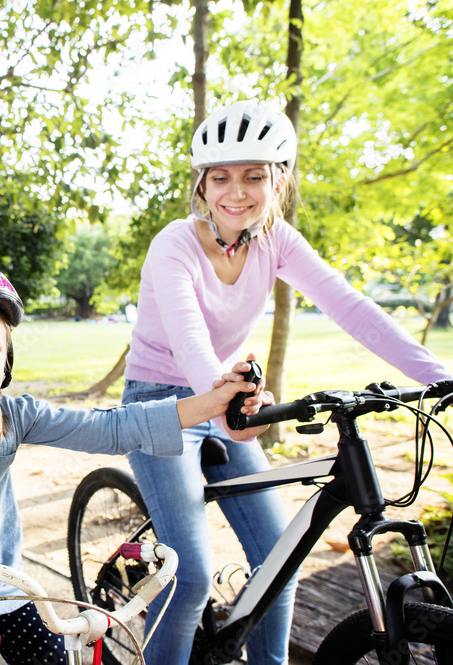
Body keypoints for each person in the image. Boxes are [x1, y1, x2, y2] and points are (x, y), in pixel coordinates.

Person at [122, 100, 453, 664]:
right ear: (201, 185)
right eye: (220, 177)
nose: (237, 191)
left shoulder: (277, 239)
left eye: (255, 175)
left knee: (282, 555)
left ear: (280, 181)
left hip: (229, 401)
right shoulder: (173, 243)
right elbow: (189, 340)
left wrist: (439, 376)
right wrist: (229, 404)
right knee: (192, 576)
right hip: (161, 404)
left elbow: (351, 307)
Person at [0, 259, 268, 665]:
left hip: (2, 590)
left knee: (56, 656)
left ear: (6, 358)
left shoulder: (16, 416)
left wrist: (212, 403)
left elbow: (112, 427)